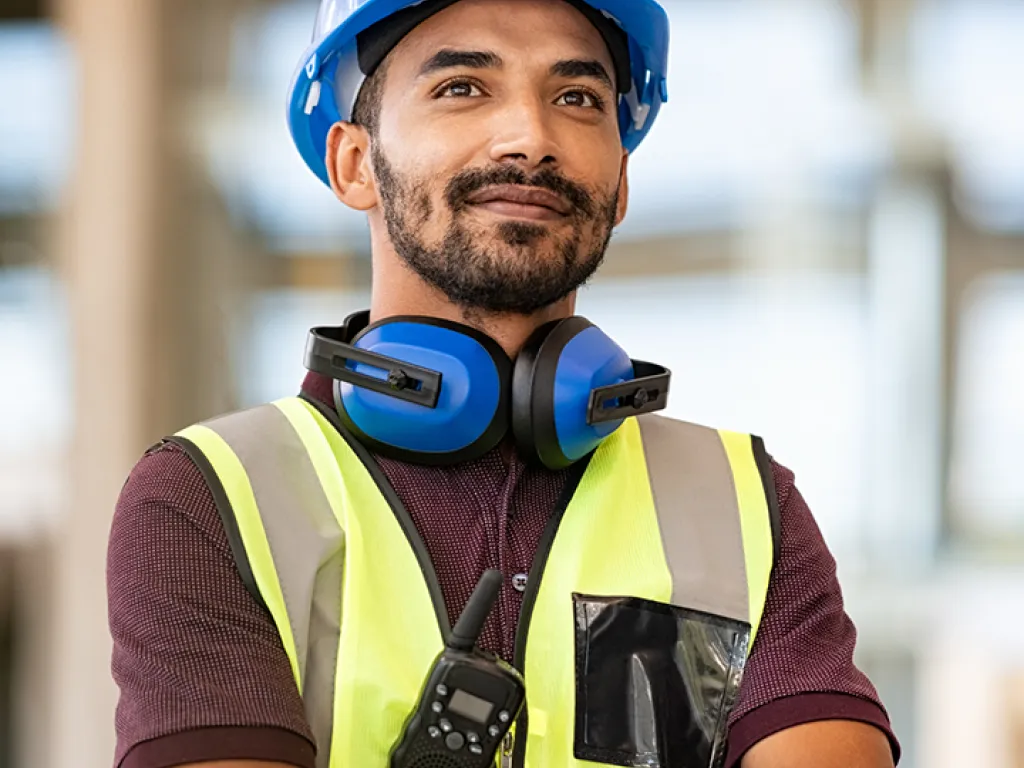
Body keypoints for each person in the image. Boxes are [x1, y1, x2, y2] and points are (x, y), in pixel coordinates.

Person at [107, 0, 902, 766]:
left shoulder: (745, 509)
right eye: (462, 87)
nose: (530, 135)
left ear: (621, 183)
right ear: (355, 165)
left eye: (576, 97)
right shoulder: (210, 499)